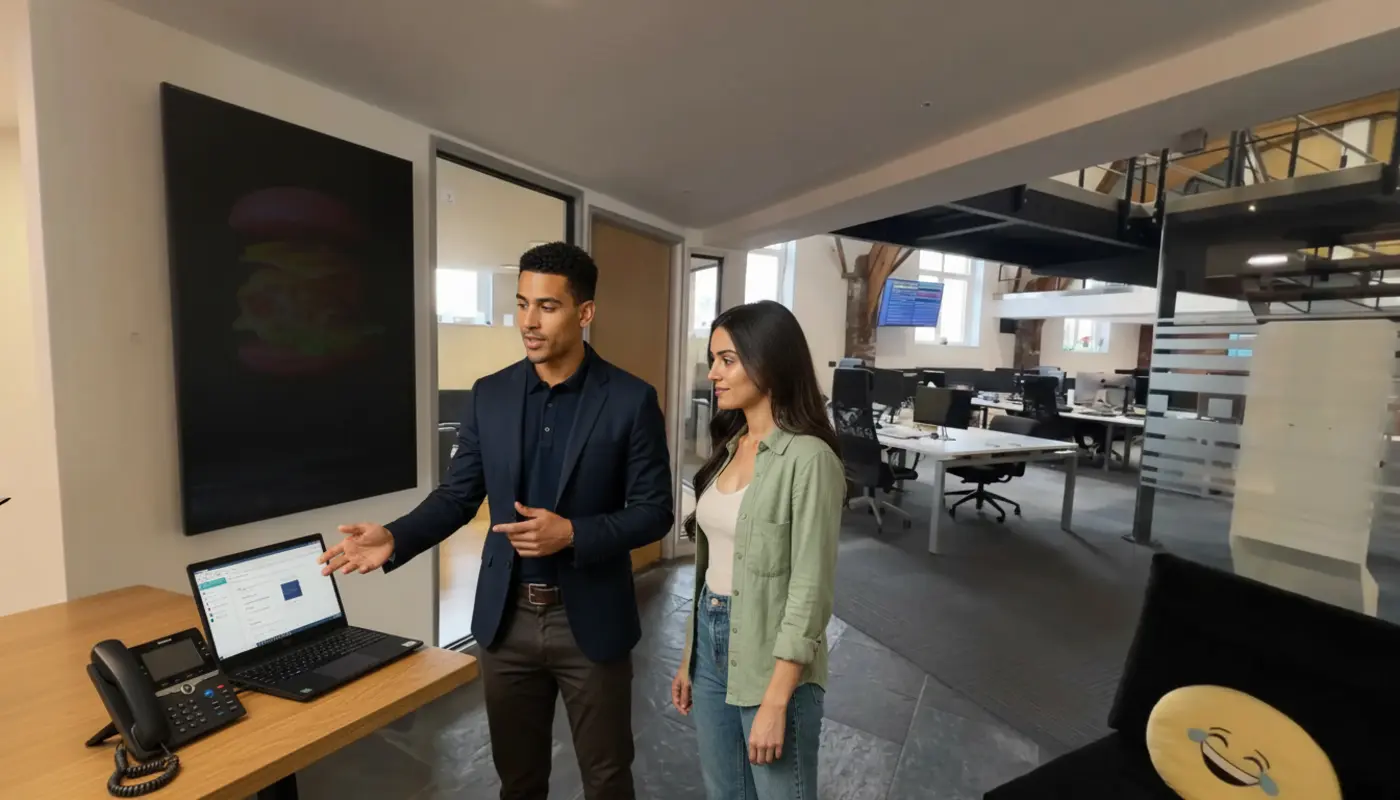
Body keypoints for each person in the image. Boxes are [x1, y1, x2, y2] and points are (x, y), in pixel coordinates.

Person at [321, 242, 673, 800]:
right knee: (518, 780)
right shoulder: (491, 395)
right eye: (521, 304)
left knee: (607, 780)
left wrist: (575, 534)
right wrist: (397, 535)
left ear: (585, 313)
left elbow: (656, 512)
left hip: (590, 621)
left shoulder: (630, 400)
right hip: (505, 622)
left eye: (547, 307)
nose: (528, 322)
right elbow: (459, 495)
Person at [669, 300, 845, 799]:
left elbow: (810, 591)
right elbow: (712, 571)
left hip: (774, 659)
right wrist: (690, 656)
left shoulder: (809, 459)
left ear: (767, 361)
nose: (712, 373)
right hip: (711, 640)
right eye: (713, 359)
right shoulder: (729, 448)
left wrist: (776, 698)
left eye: (727, 360)